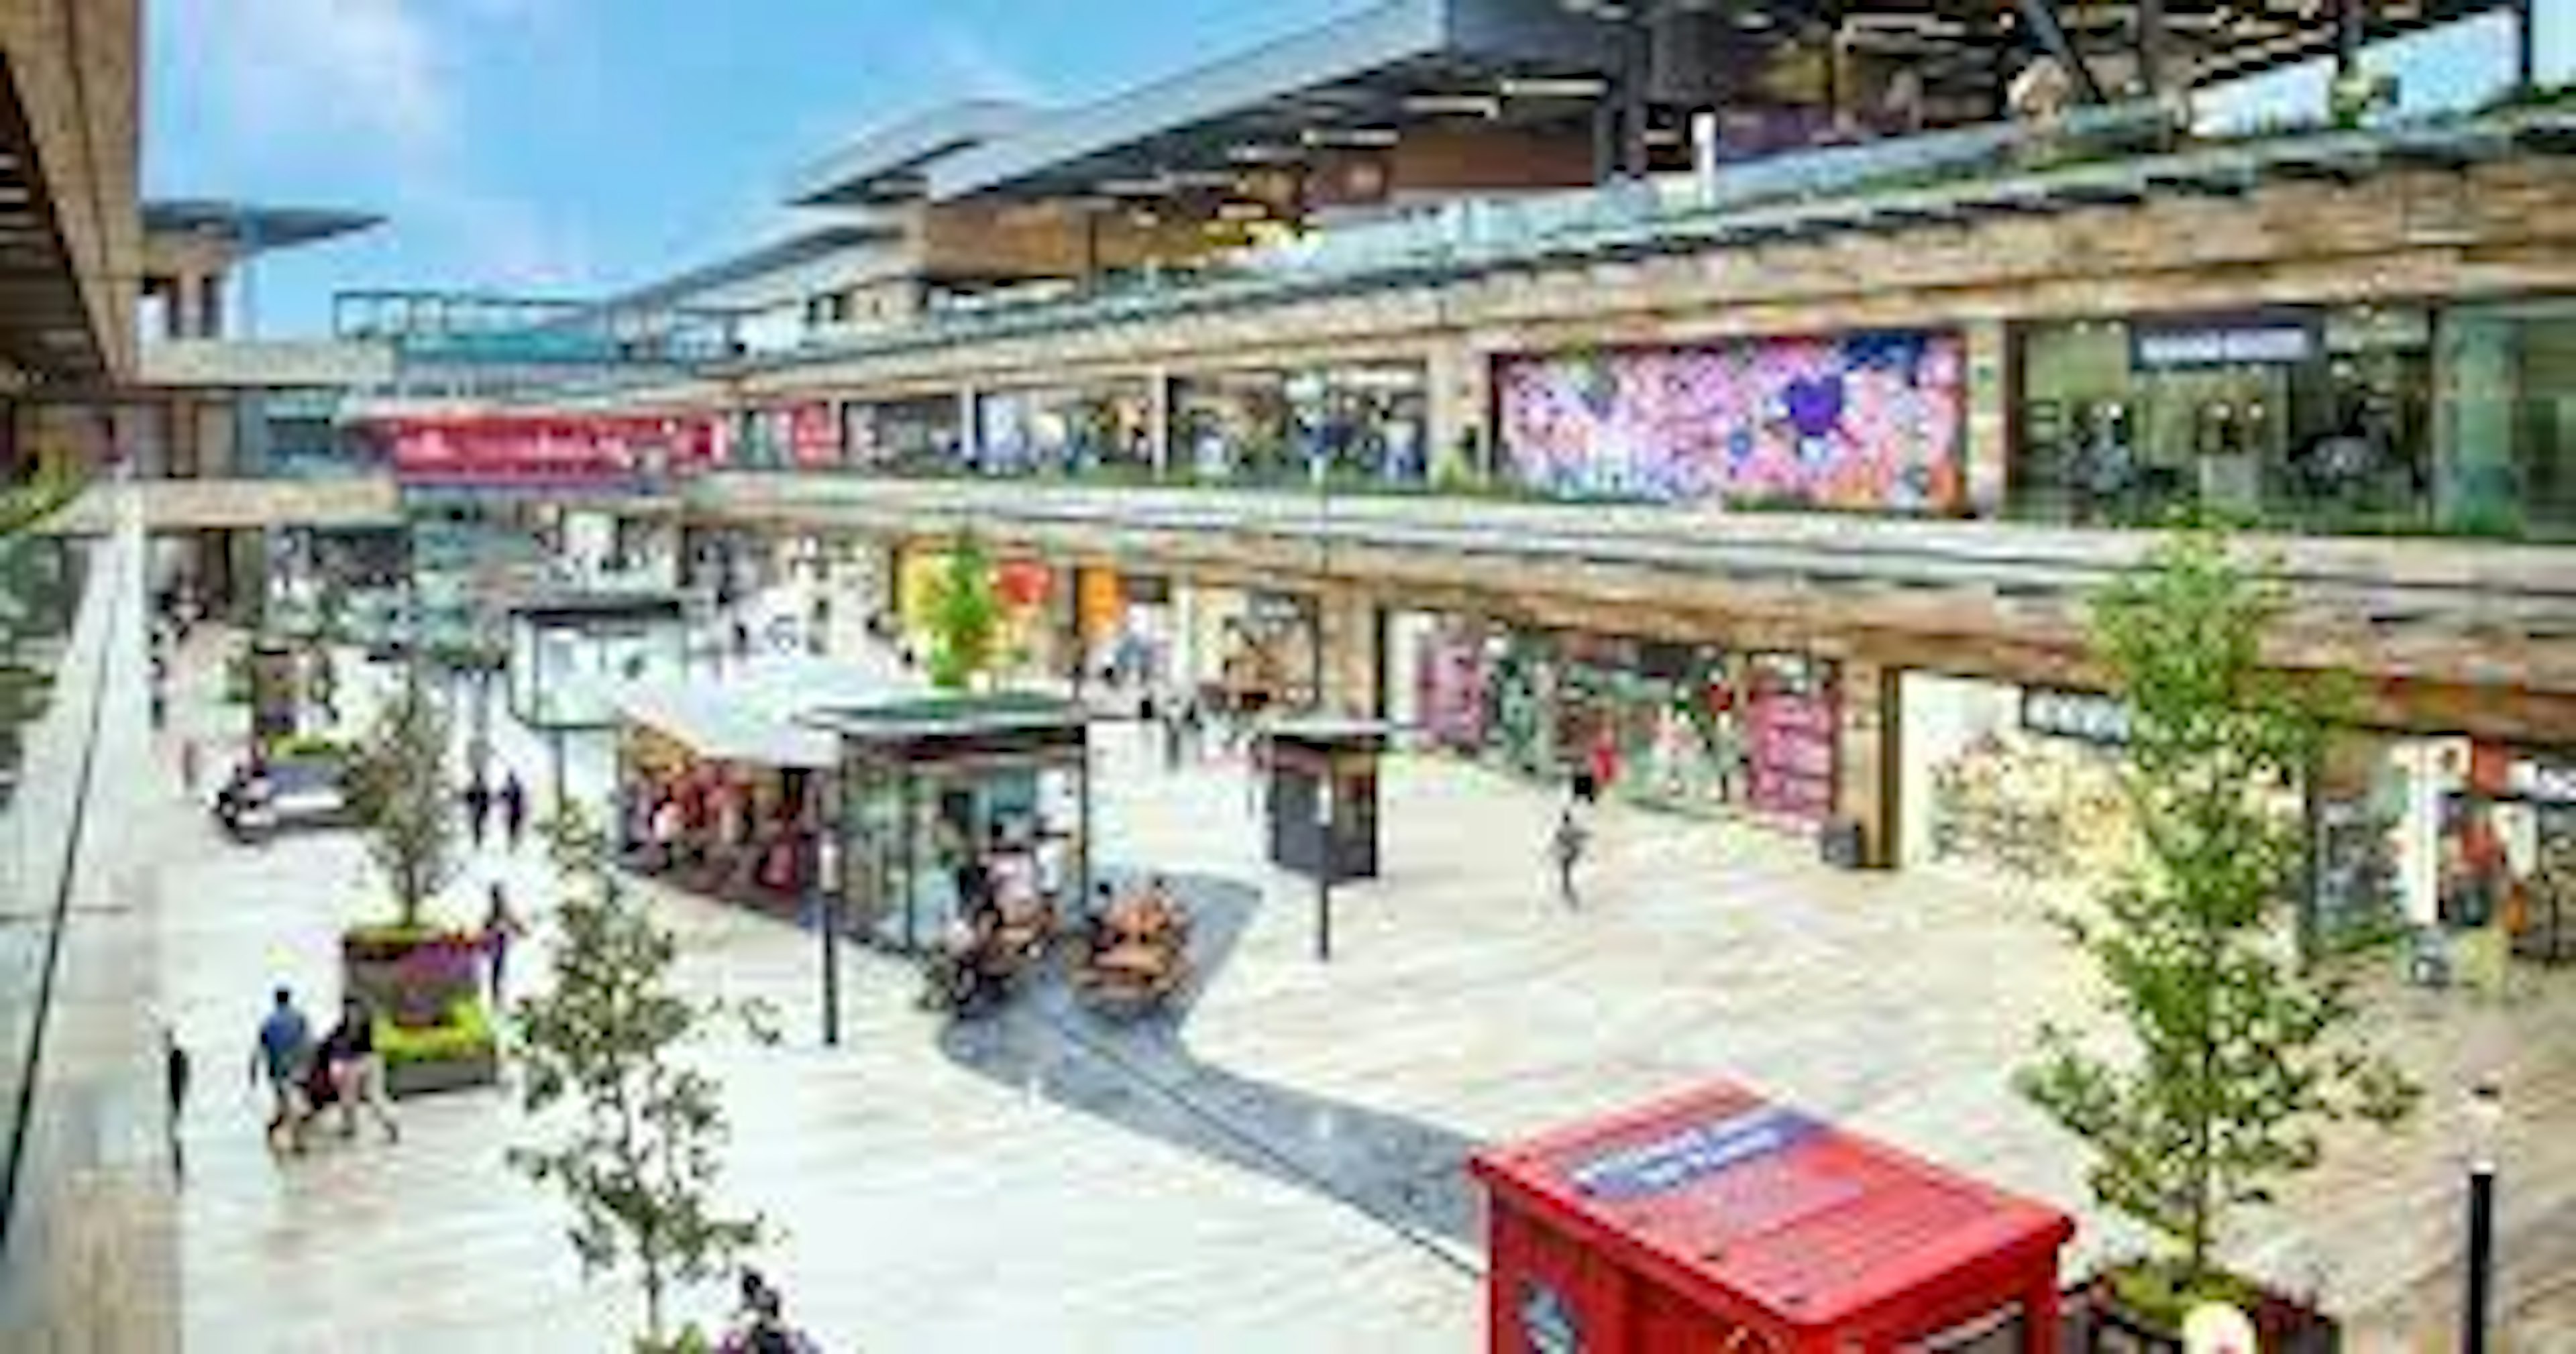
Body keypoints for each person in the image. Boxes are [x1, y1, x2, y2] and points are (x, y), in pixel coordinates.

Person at [319, 995, 400, 1143]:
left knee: (349, 1097)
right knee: (373, 1095)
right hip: (372, 1060)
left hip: (357, 1062)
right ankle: (390, 1123)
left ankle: (351, 1127)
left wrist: (328, 1052)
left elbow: (338, 1042)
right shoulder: (366, 1020)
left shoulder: (350, 1024)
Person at [248, 986, 312, 1152]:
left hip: (277, 1071)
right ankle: (295, 1142)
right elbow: (308, 1043)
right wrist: (310, 1066)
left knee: (286, 1106)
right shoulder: (299, 1018)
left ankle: (275, 1135)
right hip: (298, 1069)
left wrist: (253, 1075)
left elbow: (259, 1050)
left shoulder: (268, 1022)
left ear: (276, 1001)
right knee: (295, 1106)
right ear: (289, 999)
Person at [482, 882, 527, 1011]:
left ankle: (499, 1003)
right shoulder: (493, 913)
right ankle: (497, 1003)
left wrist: (520, 931)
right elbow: (486, 929)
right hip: (496, 945)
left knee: (498, 976)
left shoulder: (503, 911)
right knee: (496, 976)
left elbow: (516, 925)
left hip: (500, 944)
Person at [164, 1024, 191, 1181]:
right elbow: (185, 1070)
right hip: (176, 1086)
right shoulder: (175, 1054)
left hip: (176, 1086)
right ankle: (175, 1134)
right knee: (175, 1110)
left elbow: (183, 1070)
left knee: (175, 1110)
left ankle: (175, 1135)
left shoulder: (176, 1054)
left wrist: (184, 1083)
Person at [1552, 801, 1589, 911]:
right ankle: (1570, 896)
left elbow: (1557, 842)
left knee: (1567, 876)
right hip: (1572, 854)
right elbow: (1583, 835)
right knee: (1568, 876)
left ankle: (1569, 895)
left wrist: (1553, 852)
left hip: (1566, 855)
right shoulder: (1571, 829)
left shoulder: (1562, 830)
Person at [498, 771, 529, 851]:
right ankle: (514, 841)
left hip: (511, 811)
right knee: (515, 827)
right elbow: (523, 798)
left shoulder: (508, 787)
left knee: (511, 827)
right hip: (517, 810)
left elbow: (502, 795)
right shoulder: (518, 786)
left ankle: (512, 842)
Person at [462, 772, 492, 849]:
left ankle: (477, 840)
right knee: (479, 824)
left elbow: (467, 796)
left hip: (475, 808)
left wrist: (469, 804)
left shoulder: (473, 786)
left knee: (476, 824)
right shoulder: (483, 787)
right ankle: (478, 839)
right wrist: (486, 809)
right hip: (481, 808)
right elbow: (487, 799)